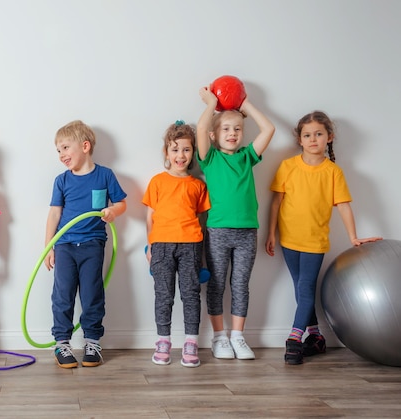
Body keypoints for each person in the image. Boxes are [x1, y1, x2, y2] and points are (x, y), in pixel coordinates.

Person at [265, 111, 381, 365]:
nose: (313, 139)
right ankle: (316, 337)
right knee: (299, 288)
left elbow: (343, 206)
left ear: (329, 137)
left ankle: (295, 339)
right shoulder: (288, 167)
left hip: (314, 242)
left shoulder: (333, 172)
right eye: (307, 135)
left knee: (305, 287)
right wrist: (271, 233)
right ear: (300, 139)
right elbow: (276, 203)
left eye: (318, 134)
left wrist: (354, 237)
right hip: (288, 239)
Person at [197, 86, 275, 360]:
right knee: (217, 283)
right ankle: (219, 337)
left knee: (241, 283)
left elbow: (268, 129)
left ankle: (238, 336)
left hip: (247, 232)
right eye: (226, 129)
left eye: (238, 129)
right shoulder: (210, 159)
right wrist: (211, 104)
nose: (232, 134)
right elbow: (201, 129)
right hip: (218, 230)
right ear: (214, 135)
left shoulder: (247, 157)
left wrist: (246, 105)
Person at [44, 120, 127, 369]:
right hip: (65, 245)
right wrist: (49, 247)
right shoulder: (62, 181)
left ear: (85, 146)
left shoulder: (105, 175)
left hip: (92, 244)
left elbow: (121, 203)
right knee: (63, 294)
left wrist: (113, 212)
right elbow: (54, 215)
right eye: (58, 150)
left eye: (65, 148)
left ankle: (92, 342)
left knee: (92, 295)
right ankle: (62, 343)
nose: (61, 155)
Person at [142, 120, 211, 367]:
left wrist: (202, 254)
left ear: (193, 152)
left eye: (186, 150)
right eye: (175, 149)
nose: (180, 155)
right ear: (166, 152)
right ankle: (163, 341)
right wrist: (150, 245)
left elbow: (203, 219)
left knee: (191, 295)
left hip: (191, 245)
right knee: (163, 295)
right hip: (161, 245)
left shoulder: (198, 185)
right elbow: (149, 217)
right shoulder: (157, 181)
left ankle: (191, 342)